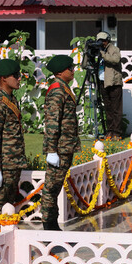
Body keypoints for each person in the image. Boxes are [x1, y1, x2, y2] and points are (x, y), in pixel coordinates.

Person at [0, 59, 26, 237]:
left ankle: (4, 244)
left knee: (8, 208)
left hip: (13, 163)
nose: (19, 79)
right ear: (3, 78)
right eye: (15, 76)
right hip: (2, 164)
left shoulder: (11, 100)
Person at [42, 55, 81, 231]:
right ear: (60, 72)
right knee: (52, 186)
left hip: (65, 145)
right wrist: (51, 150)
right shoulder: (58, 90)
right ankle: (49, 223)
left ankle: (52, 222)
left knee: (55, 186)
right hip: (59, 147)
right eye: (69, 68)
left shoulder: (64, 88)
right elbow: (52, 121)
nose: (73, 71)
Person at [96, 31, 123, 140]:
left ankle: (117, 133)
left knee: (116, 109)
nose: (102, 43)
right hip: (102, 82)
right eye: (100, 41)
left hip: (114, 82)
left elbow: (115, 60)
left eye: (104, 40)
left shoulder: (114, 49)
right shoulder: (98, 50)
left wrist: (102, 54)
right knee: (108, 108)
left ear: (108, 40)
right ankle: (110, 131)